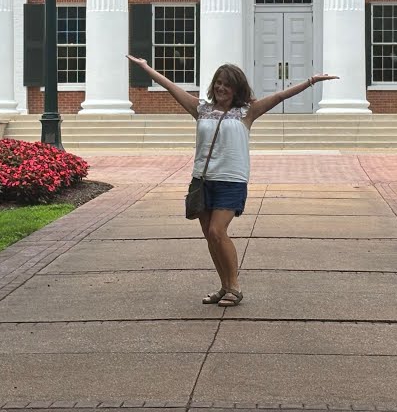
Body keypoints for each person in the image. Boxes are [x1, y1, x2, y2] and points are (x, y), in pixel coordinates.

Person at [127, 55, 336, 307]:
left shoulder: (246, 112)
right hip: (202, 180)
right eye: (218, 83)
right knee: (209, 235)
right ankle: (224, 286)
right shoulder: (201, 108)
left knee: (218, 231)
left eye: (227, 84)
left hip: (231, 180)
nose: (221, 88)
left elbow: (280, 96)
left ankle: (235, 287)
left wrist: (311, 81)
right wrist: (145, 67)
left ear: (237, 89)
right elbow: (172, 87)